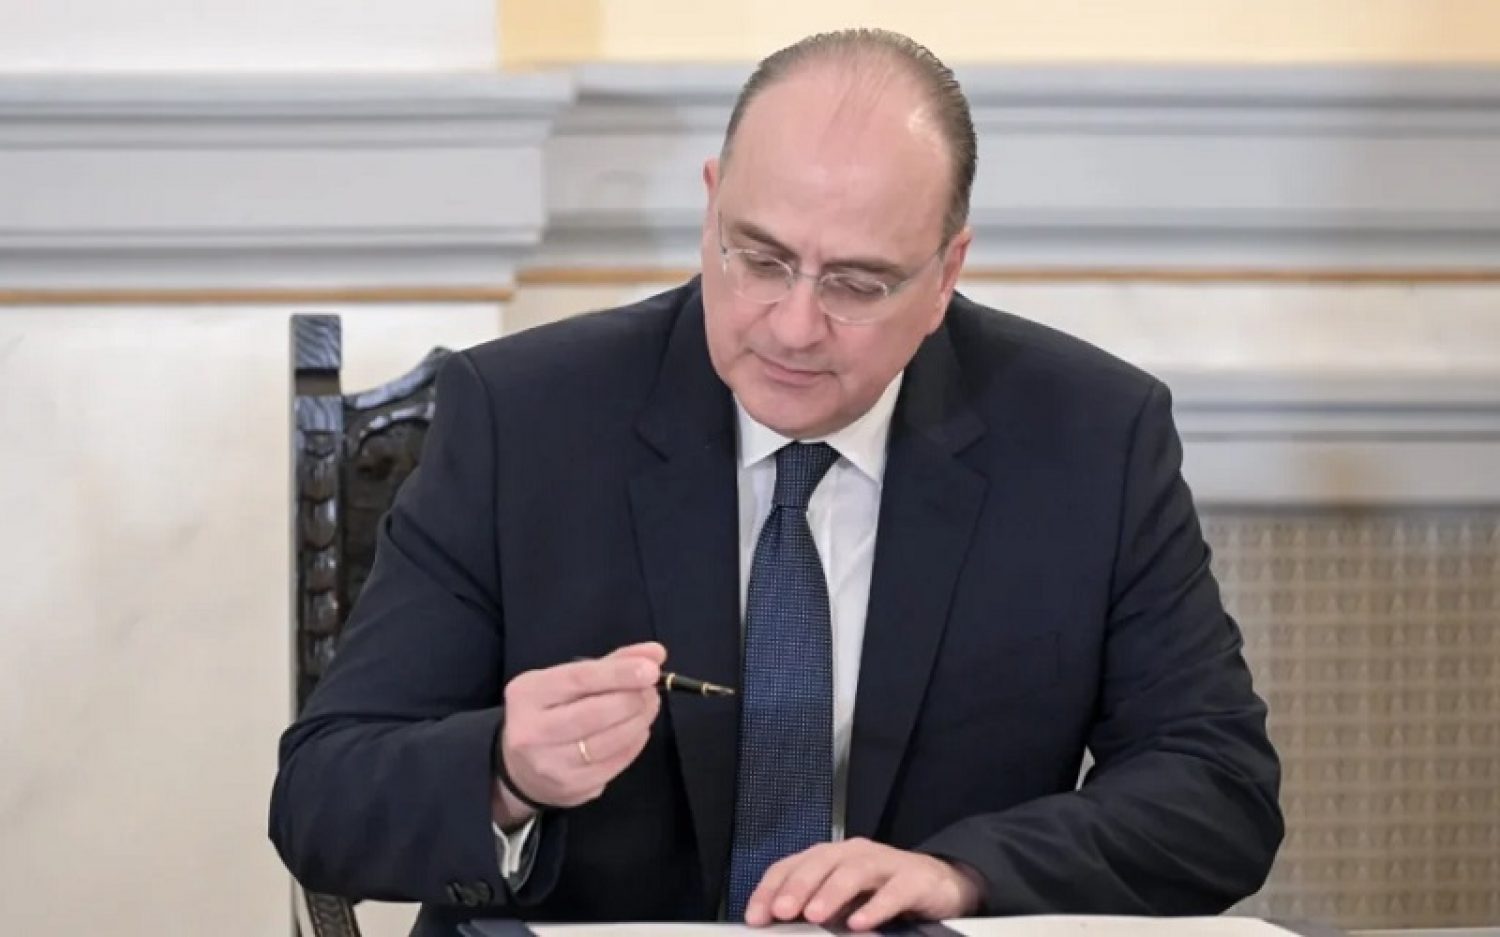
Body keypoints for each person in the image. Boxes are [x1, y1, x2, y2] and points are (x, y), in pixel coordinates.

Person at [269, 28, 1282, 937]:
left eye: (856, 283)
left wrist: (964, 874)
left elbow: (1219, 791)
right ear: (712, 206)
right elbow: (321, 798)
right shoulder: (524, 419)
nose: (795, 326)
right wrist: (504, 770)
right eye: (759, 259)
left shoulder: (1090, 437)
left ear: (945, 274)